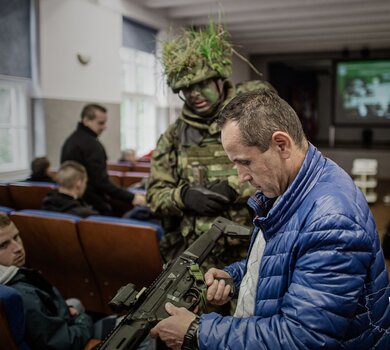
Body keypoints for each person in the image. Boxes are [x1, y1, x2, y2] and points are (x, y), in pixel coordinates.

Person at [150, 90, 390, 349]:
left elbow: (304, 338)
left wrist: (197, 331)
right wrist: (235, 278)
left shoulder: (332, 220)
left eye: (245, 162)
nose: (241, 176)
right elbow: (285, 259)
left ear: (282, 145)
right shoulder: (292, 184)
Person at [146, 22, 256, 263]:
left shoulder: (254, 119)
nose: (194, 93)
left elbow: (283, 172)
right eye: (186, 88)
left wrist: (234, 187)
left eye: (202, 84)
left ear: (219, 79)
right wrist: (183, 197)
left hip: (252, 250)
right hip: (197, 255)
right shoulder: (174, 136)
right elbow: (154, 195)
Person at [0, 212, 114, 349]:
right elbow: (66, 343)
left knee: (75, 303)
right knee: (137, 329)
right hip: (70, 339)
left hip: (56, 325)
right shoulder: (22, 294)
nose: (18, 248)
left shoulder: (13, 275)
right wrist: (82, 318)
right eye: (3, 245)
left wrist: (67, 309)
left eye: (16, 237)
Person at [61, 104, 146, 215]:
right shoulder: (92, 145)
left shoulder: (70, 140)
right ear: (86, 120)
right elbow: (101, 182)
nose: (104, 127)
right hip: (92, 206)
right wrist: (131, 197)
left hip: (73, 203)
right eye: (100, 123)